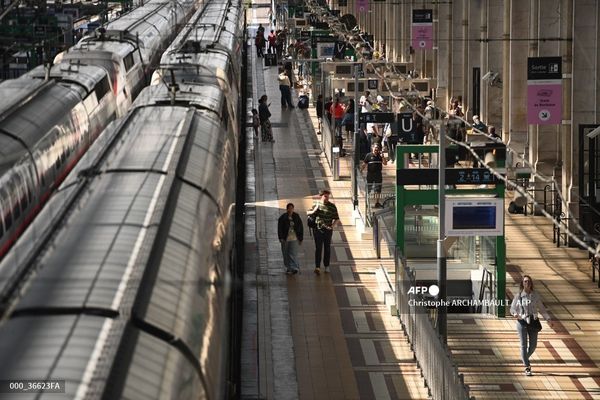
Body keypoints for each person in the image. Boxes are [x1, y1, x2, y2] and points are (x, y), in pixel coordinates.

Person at [510, 275, 553, 376]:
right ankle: (527, 366)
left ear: (531, 283)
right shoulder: (519, 296)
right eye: (525, 281)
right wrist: (515, 314)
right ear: (522, 284)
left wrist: (548, 319)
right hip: (522, 322)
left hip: (533, 322)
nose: (527, 283)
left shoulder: (535, 295)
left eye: (528, 281)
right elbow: (512, 308)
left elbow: (542, 309)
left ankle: (524, 358)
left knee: (533, 346)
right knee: (523, 345)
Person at [307, 190, 340, 275]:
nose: (327, 198)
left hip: (328, 230)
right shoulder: (316, 205)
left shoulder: (332, 207)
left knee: (327, 248)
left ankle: (326, 266)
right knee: (318, 248)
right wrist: (315, 210)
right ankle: (317, 267)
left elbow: (336, 218)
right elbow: (308, 213)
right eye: (325, 196)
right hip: (318, 230)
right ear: (321, 196)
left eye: (328, 196)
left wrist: (332, 226)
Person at [278, 203, 304, 275]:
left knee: (293, 253)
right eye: (289, 208)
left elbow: (300, 227)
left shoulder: (296, 216)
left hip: (294, 238)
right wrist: (281, 237)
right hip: (285, 238)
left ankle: (294, 267)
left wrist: (300, 238)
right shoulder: (283, 218)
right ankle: (288, 267)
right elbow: (280, 228)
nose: (290, 210)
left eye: (291, 208)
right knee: (286, 253)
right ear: (287, 209)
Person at [361, 144, 387, 208]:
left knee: (378, 189)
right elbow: (364, 164)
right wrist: (361, 171)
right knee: (369, 188)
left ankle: (377, 203)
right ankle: (366, 202)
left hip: (378, 175)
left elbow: (385, 163)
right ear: (372, 148)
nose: (376, 149)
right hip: (370, 175)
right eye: (375, 148)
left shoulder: (380, 156)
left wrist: (383, 157)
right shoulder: (368, 155)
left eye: (377, 148)